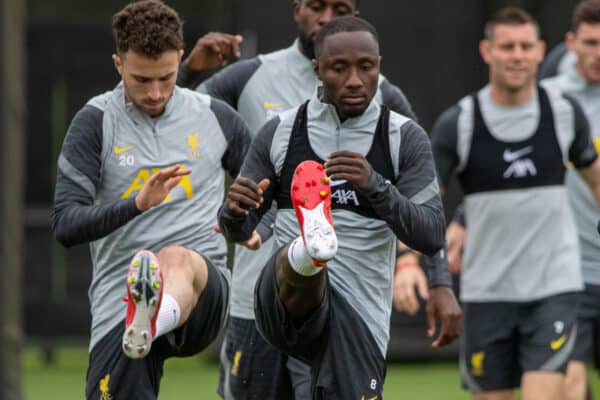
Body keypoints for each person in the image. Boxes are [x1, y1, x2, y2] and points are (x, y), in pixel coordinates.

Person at [176, 1, 419, 398]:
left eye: (339, 7)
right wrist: (191, 70)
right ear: (296, 10)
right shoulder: (252, 75)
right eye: (316, 6)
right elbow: (173, 116)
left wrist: (415, 263)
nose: (326, 16)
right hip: (257, 299)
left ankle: (315, 251)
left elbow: (420, 190)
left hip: (342, 306)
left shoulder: (382, 93)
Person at [218, 16, 462, 399]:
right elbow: (241, 231)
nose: (354, 80)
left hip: (358, 318)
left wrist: (376, 186)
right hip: (282, 303)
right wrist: (232, 213)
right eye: (339, 68)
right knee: (301, 267)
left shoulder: (403, 138)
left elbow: (430, 234)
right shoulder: (279, 131)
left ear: (379, 66)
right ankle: (309, 249)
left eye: (366, 67)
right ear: (317, 69)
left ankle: (311, 248)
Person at [50, 1, 252, 399]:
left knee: (175, 257)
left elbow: (262, 188)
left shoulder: (218, 117)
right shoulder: (95, 122)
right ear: (117, 64)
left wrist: (248, 222)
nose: (156, 93)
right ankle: (142, 319)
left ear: (180, 58)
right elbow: (66, 224)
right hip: (120, 305)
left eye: (166, 78)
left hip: (201, 292)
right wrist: (136, 205)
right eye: (141, 80)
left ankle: (154, 314)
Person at [431, 7, 600, 400]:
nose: (518, 55)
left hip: (553, 286)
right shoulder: (459, 123)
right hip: (486, 291)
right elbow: (422, 206)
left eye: (526, 46)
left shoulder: (563, 114)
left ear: (542, 51)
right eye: (507, 47)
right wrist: (417, 262)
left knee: (559, 391)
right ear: (487, 51)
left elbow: (595, 180)